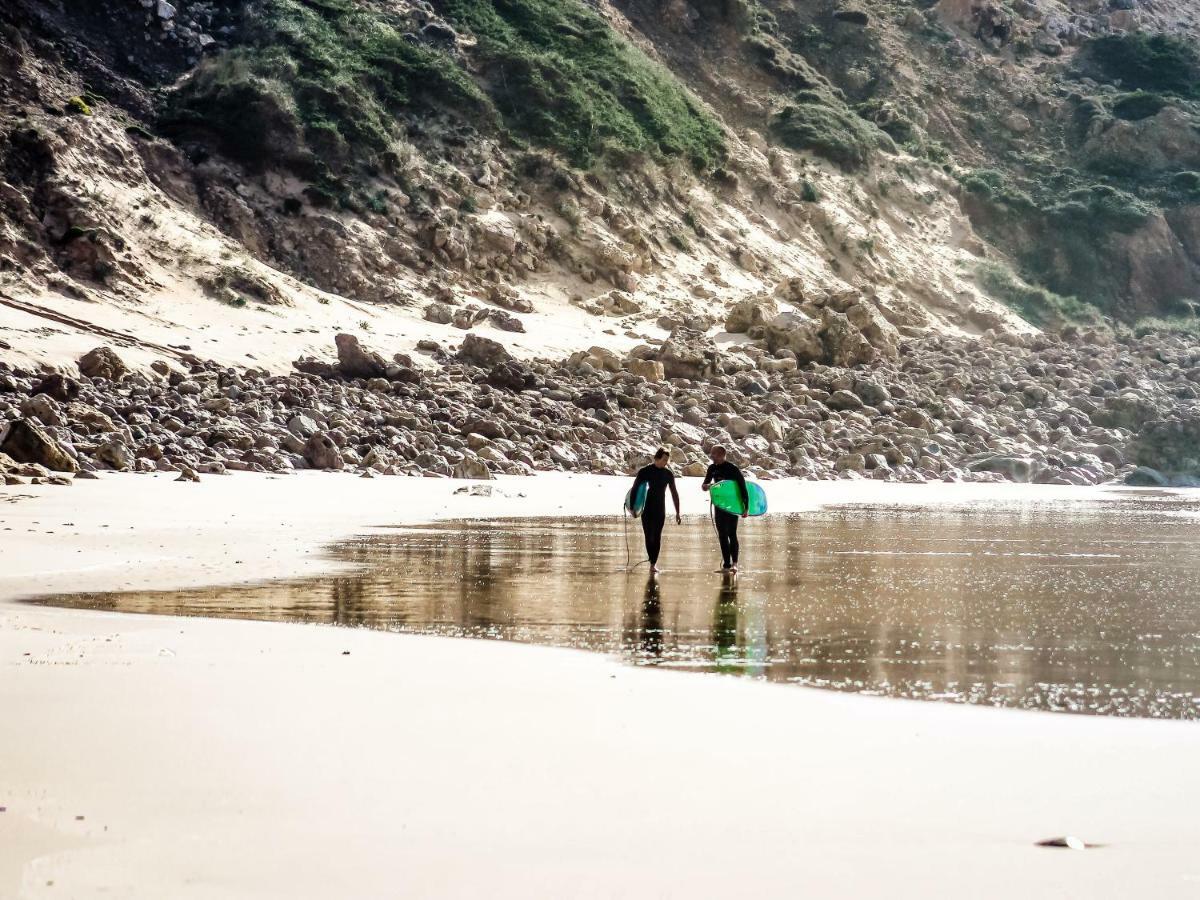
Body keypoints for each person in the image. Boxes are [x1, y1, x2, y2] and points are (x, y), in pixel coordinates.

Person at [630, 447, 681, 573]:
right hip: (646, 509)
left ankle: (653, 563)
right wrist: (632, 507)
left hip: (660, 509)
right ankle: (651, 559)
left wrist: (678, 512)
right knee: (648, 536)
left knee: (657, 536)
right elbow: (635, 489)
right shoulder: (645, 471)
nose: (665, 462)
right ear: (657, 458)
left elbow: (674, 493)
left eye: (667, 460)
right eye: (664, 459)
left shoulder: (668, 474)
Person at [701, 445, 748, 572]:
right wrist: (706, 486)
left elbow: (743, 487)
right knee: (722, 535)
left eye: (714, 454)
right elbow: (705, 484)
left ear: (722, 454)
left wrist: (746, 507)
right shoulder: (712, 468)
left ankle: (735, 564)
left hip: (732, 505)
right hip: (719, 505)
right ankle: (727, 564)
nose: (711, 456)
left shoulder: (732, 469)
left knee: (732, 534)